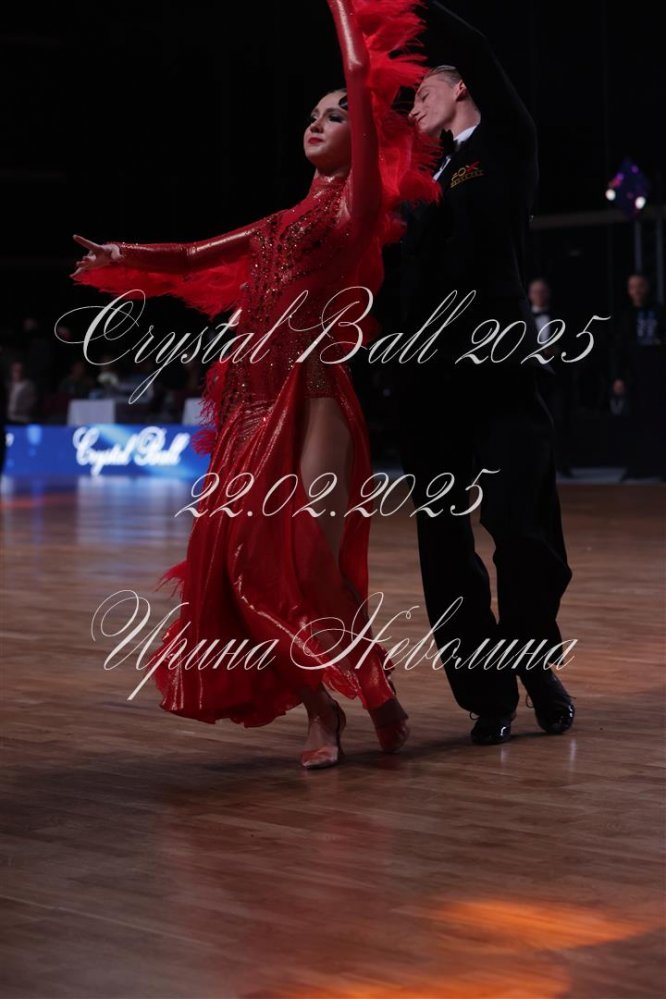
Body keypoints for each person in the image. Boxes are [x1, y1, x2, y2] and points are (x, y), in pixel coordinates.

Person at [71, 0, 438, 769]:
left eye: (337, 115)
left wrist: (342, 7)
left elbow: (361, 70)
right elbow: (190, 256)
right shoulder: (274, 225)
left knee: (310, 562)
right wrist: (120, 254)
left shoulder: (357, 208)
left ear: (364, 138)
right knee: (240, 567)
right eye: (313, 114)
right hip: (249, 406)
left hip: (314, 397)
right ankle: (321, 710)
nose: (319, 122)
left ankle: (376, 693)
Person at [393, 3, 574, 745]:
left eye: (423, 92)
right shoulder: (416, 180)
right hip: (427, 382)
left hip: (499, 369)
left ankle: (532, 662)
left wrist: (406, 7)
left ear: (461, 85)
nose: (413, 106)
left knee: (523, 527)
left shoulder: (505, 143)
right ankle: (487, 694)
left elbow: (476, 45)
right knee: (443, 542)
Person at [611, 273, 666, 480]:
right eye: (632, 287)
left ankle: (661, 466)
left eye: (640, 286)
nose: (637, 291)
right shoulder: (625, 315)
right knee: (636, 421)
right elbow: (619, 348)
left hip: (658, 373)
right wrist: (618, 377)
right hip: (634, 374)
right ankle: (637, 466)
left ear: (648, 287)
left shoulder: (660, 311)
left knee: (659, 419)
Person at [528, 278, 575, 477]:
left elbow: (572, 346)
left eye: (543, 292)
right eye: (536, 292)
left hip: (556, 377)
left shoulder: (561, 318)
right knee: (531, 422)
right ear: (530, 295)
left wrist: (558, 352)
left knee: (559, 420)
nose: (540, 295)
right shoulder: (523, 318)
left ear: (549, 294)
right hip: (531, 379)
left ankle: (561, 464)